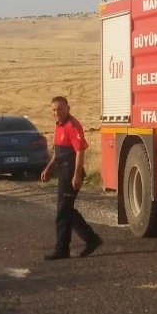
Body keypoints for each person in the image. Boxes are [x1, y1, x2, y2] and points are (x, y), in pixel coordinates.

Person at [40, 96, 103, 260]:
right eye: (54, 110)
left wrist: (76, 175)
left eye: (60, 109)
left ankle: (63, 249)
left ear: (67, 108)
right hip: (63, 172)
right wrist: (48, 168)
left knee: (63, 211)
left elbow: (80, 151)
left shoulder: (72, 126)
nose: (57, 113)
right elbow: (58, 152)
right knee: (66, 210)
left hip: (70, 173)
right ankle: (91, 239)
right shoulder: (58, 126)